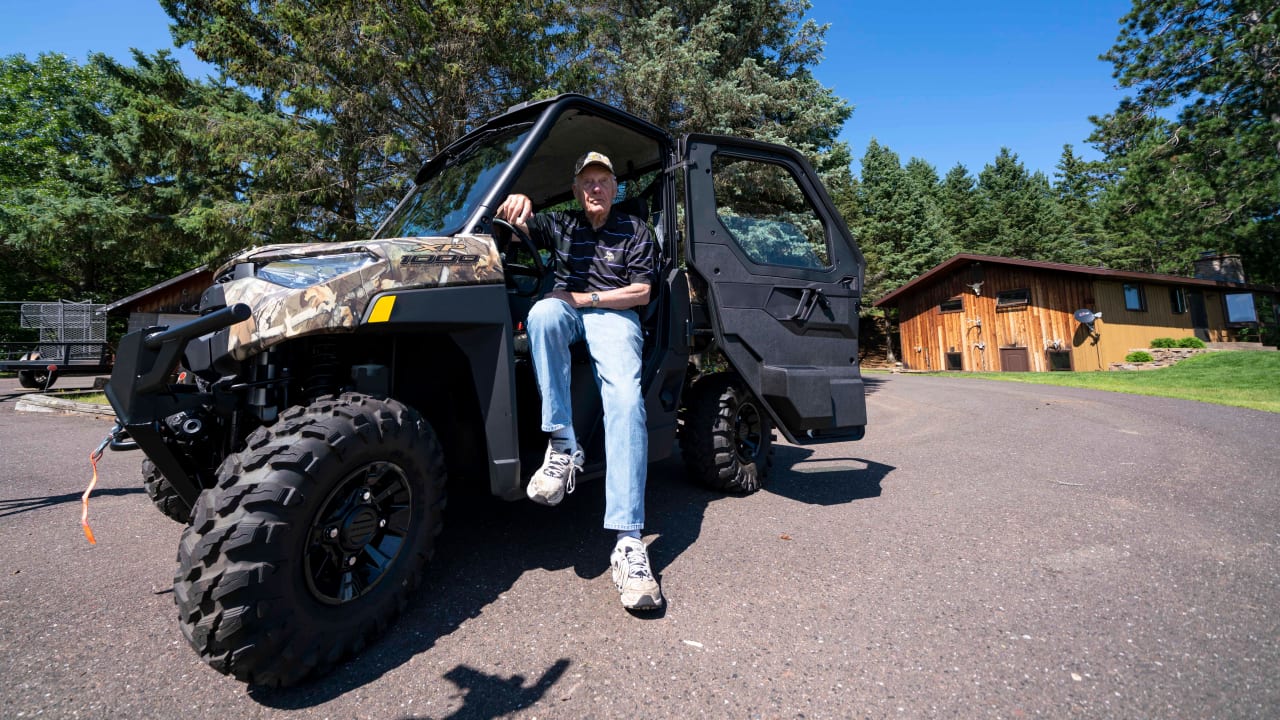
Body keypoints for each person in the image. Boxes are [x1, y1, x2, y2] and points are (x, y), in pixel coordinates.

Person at [495, 151, 663, 610]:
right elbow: (522, 225)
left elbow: (642, 292)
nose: (595, 189)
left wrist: (585, 297)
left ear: (614, 189)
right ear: (576, 191)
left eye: (603, 181)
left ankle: (629, 542)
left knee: (627, 403)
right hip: (567, 311)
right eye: (587, 182)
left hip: (615, 317)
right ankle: (564, 445)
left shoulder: (636, 231)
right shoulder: (563, 226)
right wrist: (518, 201)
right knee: (544, 312)